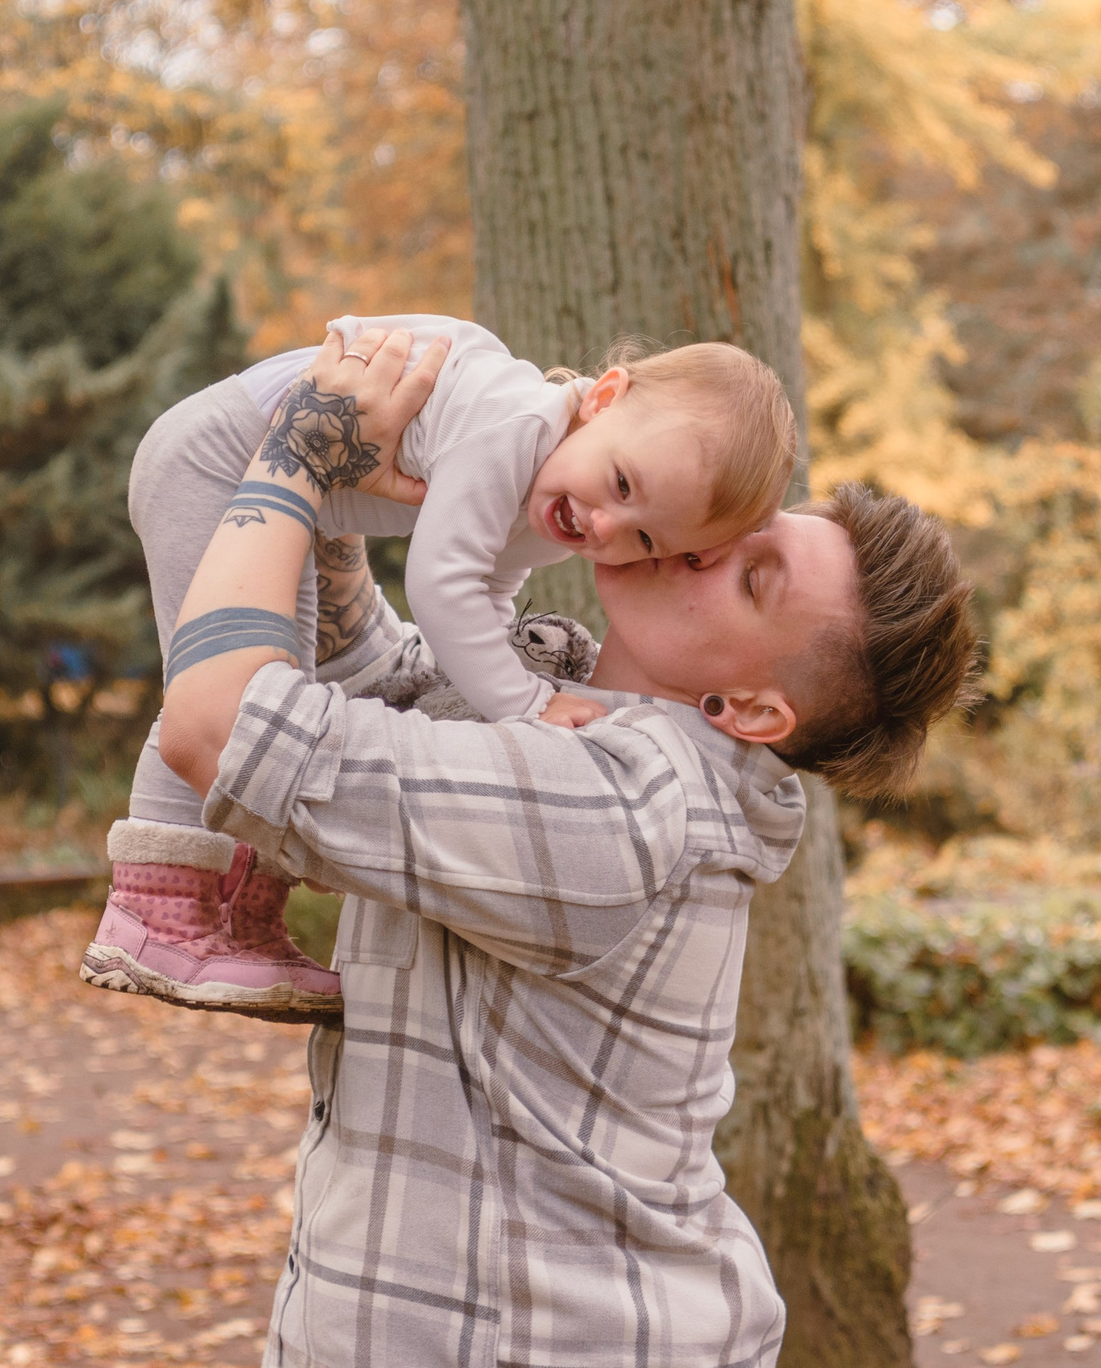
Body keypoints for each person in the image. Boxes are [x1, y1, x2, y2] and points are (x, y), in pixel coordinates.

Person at [144, 327, 978, 1368]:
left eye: (753, 577)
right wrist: (395, 477)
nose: (703, 543)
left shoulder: (624, 806)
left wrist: (295, 460)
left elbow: (218, 729)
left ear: (758, 710)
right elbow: (366, 674)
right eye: (751, 527)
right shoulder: (563, 706)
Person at [83, 314, 798, 1024]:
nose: (606, 524)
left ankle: (238, 916)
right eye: (620, 481)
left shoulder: (556, 508)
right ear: (604, 397)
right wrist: (523, 703)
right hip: (214, 462)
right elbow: (440, 583)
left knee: (283, 678)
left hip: (282, 484)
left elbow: (485, 593)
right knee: (242, 692)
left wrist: (498, 693)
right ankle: (154, 911)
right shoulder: (516, 429)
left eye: (643, 536)